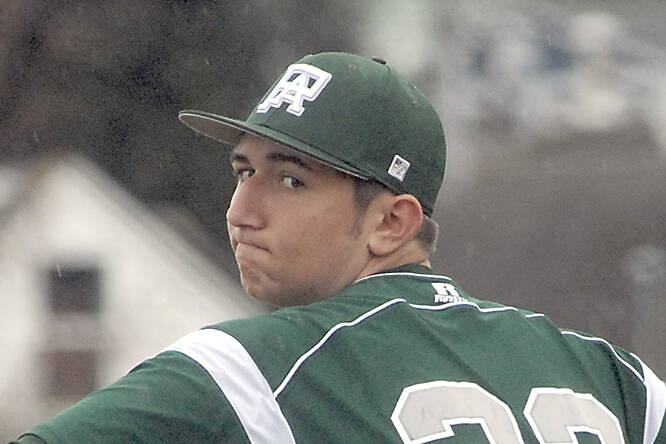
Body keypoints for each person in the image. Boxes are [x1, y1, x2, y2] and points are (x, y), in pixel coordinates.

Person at [14, 52, 665, 443]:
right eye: (244, 171)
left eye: (291, 179)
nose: (242, 212)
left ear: (392, 223)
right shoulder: (617, 379)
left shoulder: (248, 369)